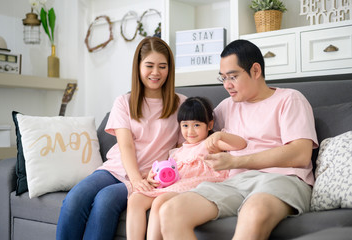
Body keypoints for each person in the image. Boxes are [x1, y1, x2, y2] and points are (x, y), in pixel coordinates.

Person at [158, 39, 319, 240]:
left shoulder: (290, 99)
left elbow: (300, 154)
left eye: (232, 76)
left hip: (283, 179)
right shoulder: (226, 107)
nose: (227, 85)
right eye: (223, 78)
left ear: (256, 70)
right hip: (235, 184)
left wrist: (236, 161)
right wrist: (158, 169)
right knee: (170, 211)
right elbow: (192, 138)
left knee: (253, 211)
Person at [56, 37, 187, 240]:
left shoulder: (181, 104)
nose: (156, 72)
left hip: (152, 175)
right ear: (138, 67)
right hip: (117, 169)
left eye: (162, 66)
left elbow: (182, 150)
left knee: (105, 200)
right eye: (149, 66)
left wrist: (156, 175)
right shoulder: (124, 102)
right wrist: (135, 179)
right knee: (75, 198)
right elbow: (125, 145)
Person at [126, 96, 247, 240]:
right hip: (177, 185)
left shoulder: (211, 144)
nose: (190, 131)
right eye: (185, 125)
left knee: (159, 202)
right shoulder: (178, 151)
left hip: (199, 185)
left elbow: (241, 144)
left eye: (196, 125)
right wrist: (151, 175)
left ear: (209, 125)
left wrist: (220, 135)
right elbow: (167, 170)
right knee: (135, 199)